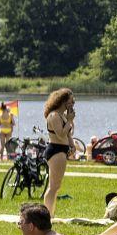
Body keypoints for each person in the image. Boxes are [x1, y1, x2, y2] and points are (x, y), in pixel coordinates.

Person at [42, 88, 75, 216]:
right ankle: (47, 216)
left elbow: (68, 135)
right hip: (55, 150)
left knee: (56, 187)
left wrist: (72, 146)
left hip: (62, 150)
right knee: (53, 187)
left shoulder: (62, 115)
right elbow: (60, 134)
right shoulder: (54, 115)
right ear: (63, 101)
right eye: (71, 101)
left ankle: (50, 214)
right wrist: (70, 121)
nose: (73, 104)